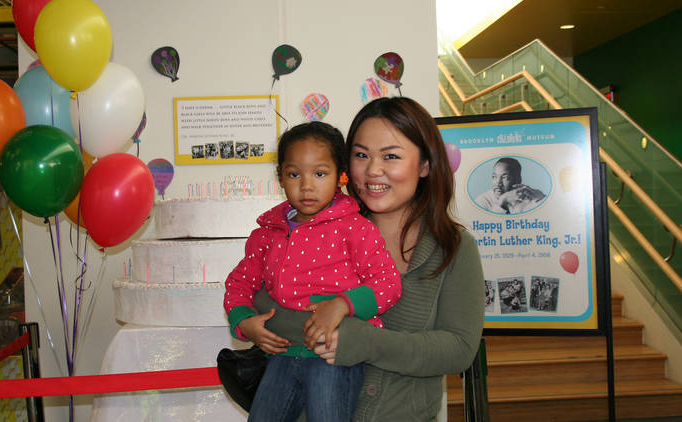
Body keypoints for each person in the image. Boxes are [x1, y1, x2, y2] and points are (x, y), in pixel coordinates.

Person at [250, 97, 485, 421]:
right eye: (361, 155)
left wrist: (366, 341)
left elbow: (458, 349)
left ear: (425, 165)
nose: (373, 170)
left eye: (391, 156)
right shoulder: (316, 229)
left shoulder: (453, 247)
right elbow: (264, 300)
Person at [223, 121, 402, 421]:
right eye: (294, 174)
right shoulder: (267, 234)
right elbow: (239, 284)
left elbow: (388, 284)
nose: (306, 185)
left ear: (340, 176)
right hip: (281, 354)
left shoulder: (355, 228)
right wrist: (244, 322)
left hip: (334, 355)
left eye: (320, 174)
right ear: (280, 176)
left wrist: (342, 305)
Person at [475, 157, 545, 214]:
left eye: (505, 177)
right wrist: (501, 203)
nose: (498, 183)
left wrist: (541, 199)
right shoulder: (482, 201)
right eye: (494, 176)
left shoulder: (530, 199)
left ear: (518, 179)